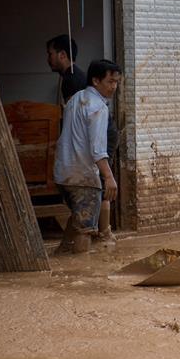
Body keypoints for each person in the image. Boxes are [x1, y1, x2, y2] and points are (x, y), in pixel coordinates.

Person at [53, 60, 120, 254]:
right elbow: (97, 149)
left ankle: (62, 253)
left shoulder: (75, 98)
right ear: (96, 81)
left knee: (78, 219)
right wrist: (109, 177)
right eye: (110, 82)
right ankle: (81, 273)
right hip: (83, 177)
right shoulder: (98, 107)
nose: (114, 87)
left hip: (63, 173)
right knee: (86, 230)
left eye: (116, 82)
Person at [46, 34, 86, 105]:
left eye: (50, 54)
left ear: (62, 55)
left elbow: (72, 113)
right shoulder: (75, 74)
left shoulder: (71, 79)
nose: (48, 60)